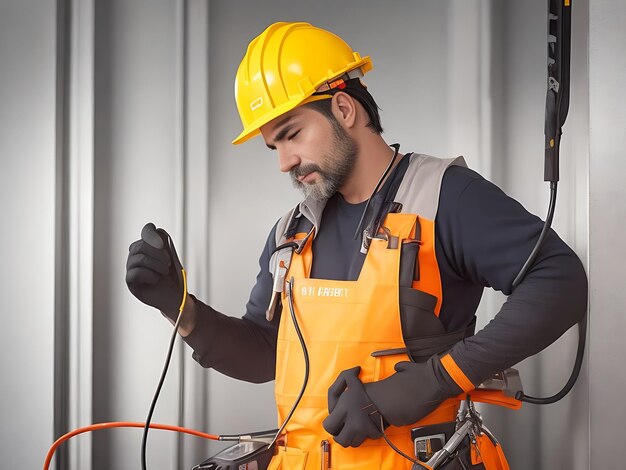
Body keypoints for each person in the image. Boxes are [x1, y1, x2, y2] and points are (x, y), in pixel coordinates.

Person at [126, 22, 587, 469]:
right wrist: (178, 307)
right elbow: (267, 351)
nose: (285, 161)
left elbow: (559, 281)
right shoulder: (292, 233)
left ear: (345, 110)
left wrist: (431, 382)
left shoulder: (446, 197)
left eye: (292, 134)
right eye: (274, 147)